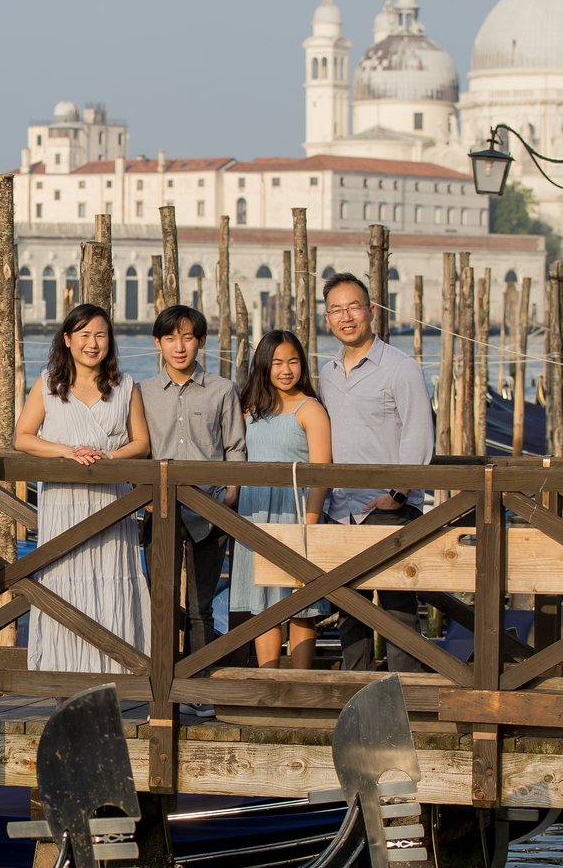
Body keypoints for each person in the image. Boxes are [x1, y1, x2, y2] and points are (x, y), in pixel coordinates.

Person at [15, 303, 152, 674]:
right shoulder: (48, 384)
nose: (93, 344)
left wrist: (110, 457)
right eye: (85, 335)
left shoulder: (125, 386)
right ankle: (62, 677)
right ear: (67, 339)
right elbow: (23, 437)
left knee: (111, 581)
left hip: (111, 501)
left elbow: (141, 443)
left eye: (101, 335)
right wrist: (67, 451)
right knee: (63, 581)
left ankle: (116, 672)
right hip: (63, 501)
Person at [318, 273, 435, 672]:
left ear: (370, 311)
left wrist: (398, 494)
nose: (346, 317)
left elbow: (419, 435)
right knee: (349, 610)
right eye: (336, 310)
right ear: (327, 319)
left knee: (398, 610)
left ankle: (407, 693)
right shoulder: (328, 372)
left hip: (387, 507)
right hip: (341, 509)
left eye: (353, 307)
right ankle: (357, 689)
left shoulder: (401, 368)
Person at [139, 304, 245, 653]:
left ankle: (198, 680)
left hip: (210, 511)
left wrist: (230, 495)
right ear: (158, 343)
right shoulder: (143, 392)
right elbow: (138, 449)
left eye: (187, 338)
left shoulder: (223, 390)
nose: (180, 347)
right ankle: (163, 679)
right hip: (160, 511)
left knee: (202, 608)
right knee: (161, 603)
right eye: (170, 339)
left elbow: (235, 447)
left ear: (201, 341)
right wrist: (142, 495)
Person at [229, 330, 331, 669]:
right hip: (256, 513)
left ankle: (300, 682)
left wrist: (310, 524)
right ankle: (269, 680)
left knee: (301, 604)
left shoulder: (310, 409)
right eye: (277, 363)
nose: (286, 370)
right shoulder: (249, 408)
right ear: (264, 365)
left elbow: (321, 473)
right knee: (263, 605)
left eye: (293, 361)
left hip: (295, 512)